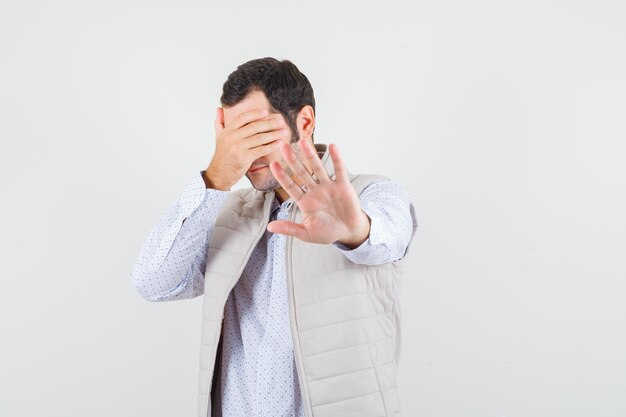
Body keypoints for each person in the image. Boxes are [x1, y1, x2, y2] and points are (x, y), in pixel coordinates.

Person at [131, 57, 418, 417]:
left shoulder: (371, 195)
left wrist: (354, 230)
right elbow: (154, 282)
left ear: (305, 122)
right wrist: (216, 177)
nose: (246, 153)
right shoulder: (225, 215)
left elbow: (389, 237)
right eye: (234, 139)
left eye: (257, 133)